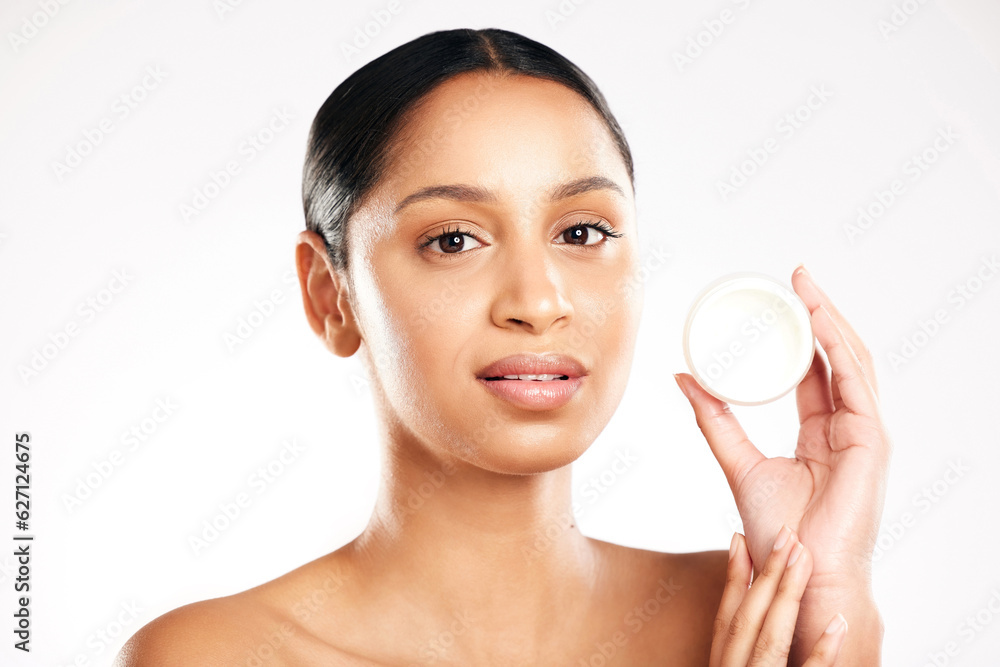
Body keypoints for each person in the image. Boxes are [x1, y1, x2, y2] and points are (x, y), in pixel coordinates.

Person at [116, 27, 890, 665]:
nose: (538, 301)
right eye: (454, 239)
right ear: (331, 293)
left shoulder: (759, 616)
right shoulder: (212, 655)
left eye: (582, 231)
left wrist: (828, 599)